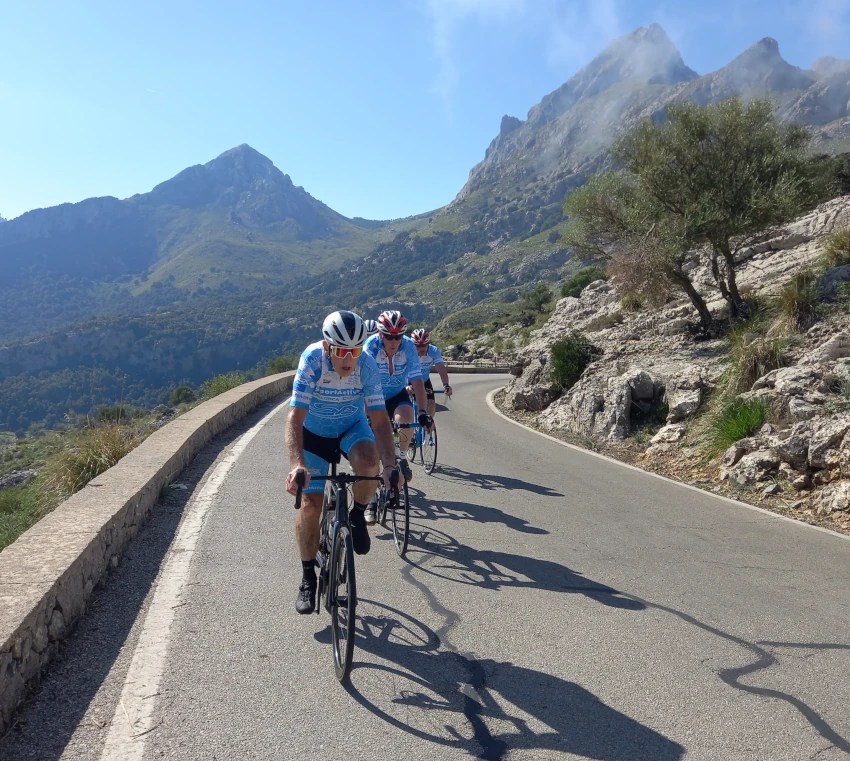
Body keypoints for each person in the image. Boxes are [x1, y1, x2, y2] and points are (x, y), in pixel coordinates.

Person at [284, 310, 402, 615]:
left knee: (369, 463)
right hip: (314, 434)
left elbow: (379, 421)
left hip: (351, 428)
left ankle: (357, 514)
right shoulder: (313, 360)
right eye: (341, 351)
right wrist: (297, 465)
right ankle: (308, 577)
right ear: (327, 347)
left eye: (355, 350)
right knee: (311, 504)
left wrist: (390, 466)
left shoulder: (367, 366)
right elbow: (295, 418)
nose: (349, 359)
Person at [363, 310, 432, 505]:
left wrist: (423, 413)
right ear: (380, 334)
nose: (394, 341)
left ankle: (401, 457)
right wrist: (367, 415)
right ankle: (371, 495)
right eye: (389, 336)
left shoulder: (408, 346)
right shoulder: (371, 347)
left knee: (407, 418)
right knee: (372, 444)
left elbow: (417, 382)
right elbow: (363, 384)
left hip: (396, 393)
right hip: (373, 396)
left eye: (398, 336)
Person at [410, 328, 452, 419]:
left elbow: (441, 370)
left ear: (428, 343)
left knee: (431, 407)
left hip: (424, 381)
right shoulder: (408, 351)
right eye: (418, 346)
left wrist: (446, 385)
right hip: (409, 380)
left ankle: (427, 425)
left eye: (424, 345)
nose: (422, 348)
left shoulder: (433, 351)